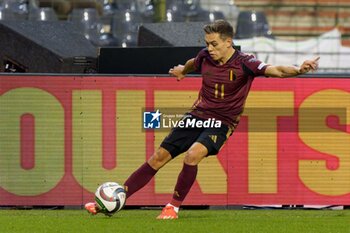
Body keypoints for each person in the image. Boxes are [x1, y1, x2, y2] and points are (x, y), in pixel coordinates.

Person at [85, 19, 319, 219]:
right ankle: (112, 201)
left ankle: (173, 207)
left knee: (192, 154)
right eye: (207, 43)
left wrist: (299, 69)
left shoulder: (245, 63)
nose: (210, 48)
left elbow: (275, 70)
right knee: (158, 157)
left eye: (214, 44)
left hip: (222, 122)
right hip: (197, 115)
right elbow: (192, 63)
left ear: (229, 42)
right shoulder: (204, 56)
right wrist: (182, 72)